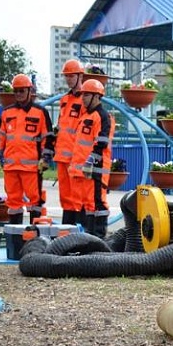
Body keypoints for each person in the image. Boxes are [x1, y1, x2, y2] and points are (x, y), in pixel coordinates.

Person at [0, 73, 54, 225]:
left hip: (32, 168)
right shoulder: (7, 113)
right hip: (11, 168)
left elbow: (49, 138)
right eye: (16, 91)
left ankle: (35, 238)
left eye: (22, 90)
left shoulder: (40, 112)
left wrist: (45, 159)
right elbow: (0, 138)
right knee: (13, 204)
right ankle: (15, 238)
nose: (18, 94)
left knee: (35, 203)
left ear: (29, 91)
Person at [69, 79, 114, 238]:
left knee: (98, 203)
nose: (83, 98)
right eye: (82, 94)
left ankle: (99, 237)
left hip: (96, 169)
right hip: (86, 170)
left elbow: (101, 141)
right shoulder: (85, 116)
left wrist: (90, 161)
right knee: (89, 204)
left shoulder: (102, 116)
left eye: (87, 94)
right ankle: (90, 237)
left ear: (97, 96)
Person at [54, 59, 86, 225]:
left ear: (80, 76)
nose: (68, 79)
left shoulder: (86, 99)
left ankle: (77, 231)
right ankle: (66, 230)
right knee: (65, 196)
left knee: (77, 197)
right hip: (62, 155)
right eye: (66, 76)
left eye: (71, 76)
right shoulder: (65, 99)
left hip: (76, 156)